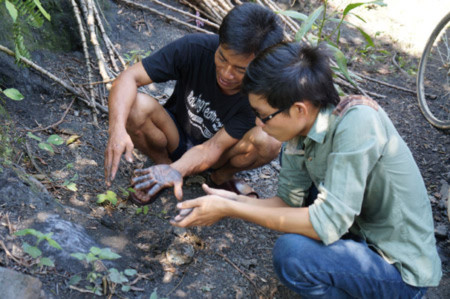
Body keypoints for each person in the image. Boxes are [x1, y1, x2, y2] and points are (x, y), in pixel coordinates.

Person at [172, 42, 442, 298]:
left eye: (263, 115)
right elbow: (288, 202)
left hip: (398, 269)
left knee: (293, 253)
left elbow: (326, 223)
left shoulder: (358, 123)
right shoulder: (301, 131)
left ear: (299, 109)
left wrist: (232, 209)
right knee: (306, 212)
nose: (258, 123)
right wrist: (235, 200)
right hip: (359, 233)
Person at [104, 3, 284, 204]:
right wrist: (117, 129)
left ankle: (220, 177)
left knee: (269, 140)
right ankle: (163, 163)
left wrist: (176, 171)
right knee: (134, 106)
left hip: (221, 151)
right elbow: (129, 77)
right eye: (222, 58)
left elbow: (212, 148)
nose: (226, 73)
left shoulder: (261, 95)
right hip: (175, 133)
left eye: (240, 70)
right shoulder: (195, 47)